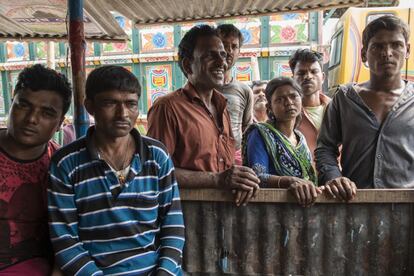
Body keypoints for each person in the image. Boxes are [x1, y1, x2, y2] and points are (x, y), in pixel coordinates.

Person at [48, 66, 184, 275]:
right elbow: (65, 241)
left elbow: (173, 225)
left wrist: (165, 272)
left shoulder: (156, 155)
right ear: (90, 106)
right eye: (110, 103)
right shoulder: (66, 163)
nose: (123, 114)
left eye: (130, 104)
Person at [147, 25, 259, 206]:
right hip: (185, 215)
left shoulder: (222, 106)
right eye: (209, 56)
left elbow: (223, 166)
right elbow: (155, 171)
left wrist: (240, 179)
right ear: (187, 65)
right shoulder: (167, 108)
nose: (222, 62)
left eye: (222, 55)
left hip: (222, 214)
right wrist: (217, 179)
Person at [315, 15, 413, 200]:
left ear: (407, 50)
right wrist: (334, 177)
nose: (387, 53)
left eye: (396, 45)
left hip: (407, 207)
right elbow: (325, 148)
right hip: (354, 205)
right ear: (363, 54)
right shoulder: (344, 99)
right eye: (378, 46)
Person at [0, 64, 71, 275]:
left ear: (60, 124)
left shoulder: (63, 168)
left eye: (47, 113)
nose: (31, 119)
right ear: (11, 104)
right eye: (23, 105)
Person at [243, 77, 320, 207]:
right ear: (270, 107)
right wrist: (289, 181)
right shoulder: (260, 134)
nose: (289, 102)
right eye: (280, 99)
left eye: (293, 96)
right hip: (272, 207)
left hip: (304, 205)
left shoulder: (300, 138)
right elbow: (257, 177)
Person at [216, 24, 254, 165]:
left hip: (235, 160)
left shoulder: (245, 91)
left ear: (239, 51)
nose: (229, 51)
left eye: (234, 46)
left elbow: (247, 129)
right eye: (224, 45)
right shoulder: (203, 88)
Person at [289, 49, 331, 161]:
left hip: (338, 176)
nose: (308, 76)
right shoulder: (286, 113)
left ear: (323, 77)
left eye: (313, 71)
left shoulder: (337, 108)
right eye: (301, 73)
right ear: (293, 78)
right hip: (301, 178)